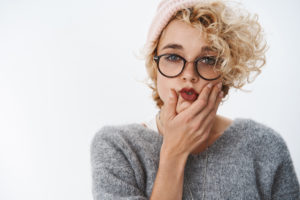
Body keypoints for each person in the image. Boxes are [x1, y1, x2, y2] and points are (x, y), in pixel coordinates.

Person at [90, 0, 300, 199]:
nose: (189, 74)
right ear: (155, 65)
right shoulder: (118, 147)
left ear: (225, 71)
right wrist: (174, 152)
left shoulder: (264, 146)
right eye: (173, 56)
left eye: (207, 60)